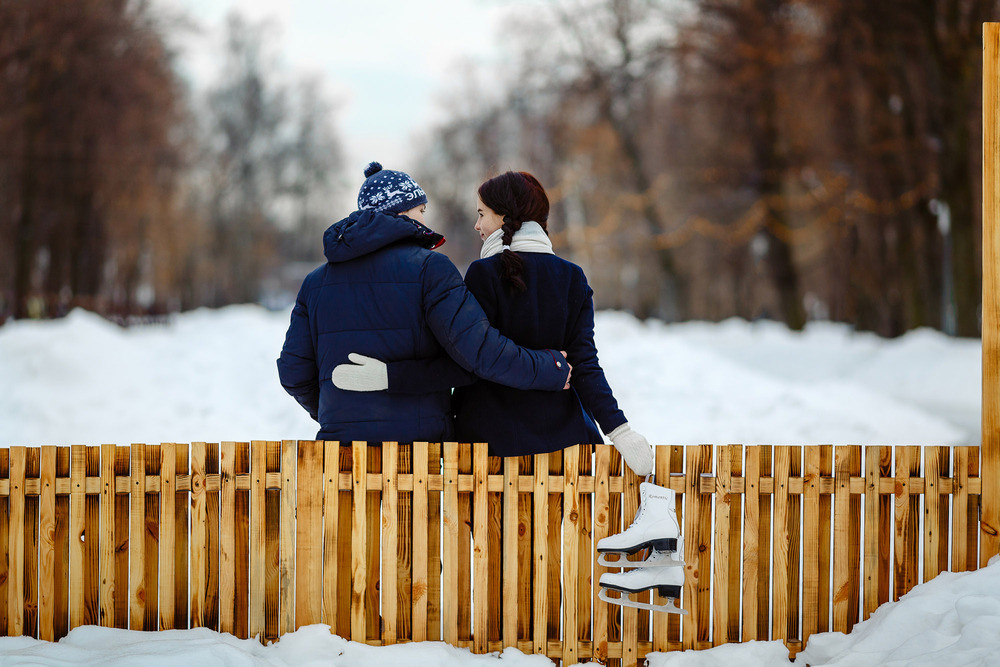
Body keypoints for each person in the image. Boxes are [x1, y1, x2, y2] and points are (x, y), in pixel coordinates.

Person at [333, 170, 654, 476]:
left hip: (489, 449)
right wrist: (619, 430)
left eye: (481, 214)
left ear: (504, 216)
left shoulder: (483, 274)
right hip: (561, 448)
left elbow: (464, 364)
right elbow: (584, 364)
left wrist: (390, 376)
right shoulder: (572, 277)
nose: (476, 225)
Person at [277, 162, 571, 444]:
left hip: (340, 452)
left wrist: (339, 410)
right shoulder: (430, 269)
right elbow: (479, 352)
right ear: (401, 212)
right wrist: (547, 368)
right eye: (421, 210)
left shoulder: (315, 283)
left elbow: (292, 371)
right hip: (417, 454)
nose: (424, 219)